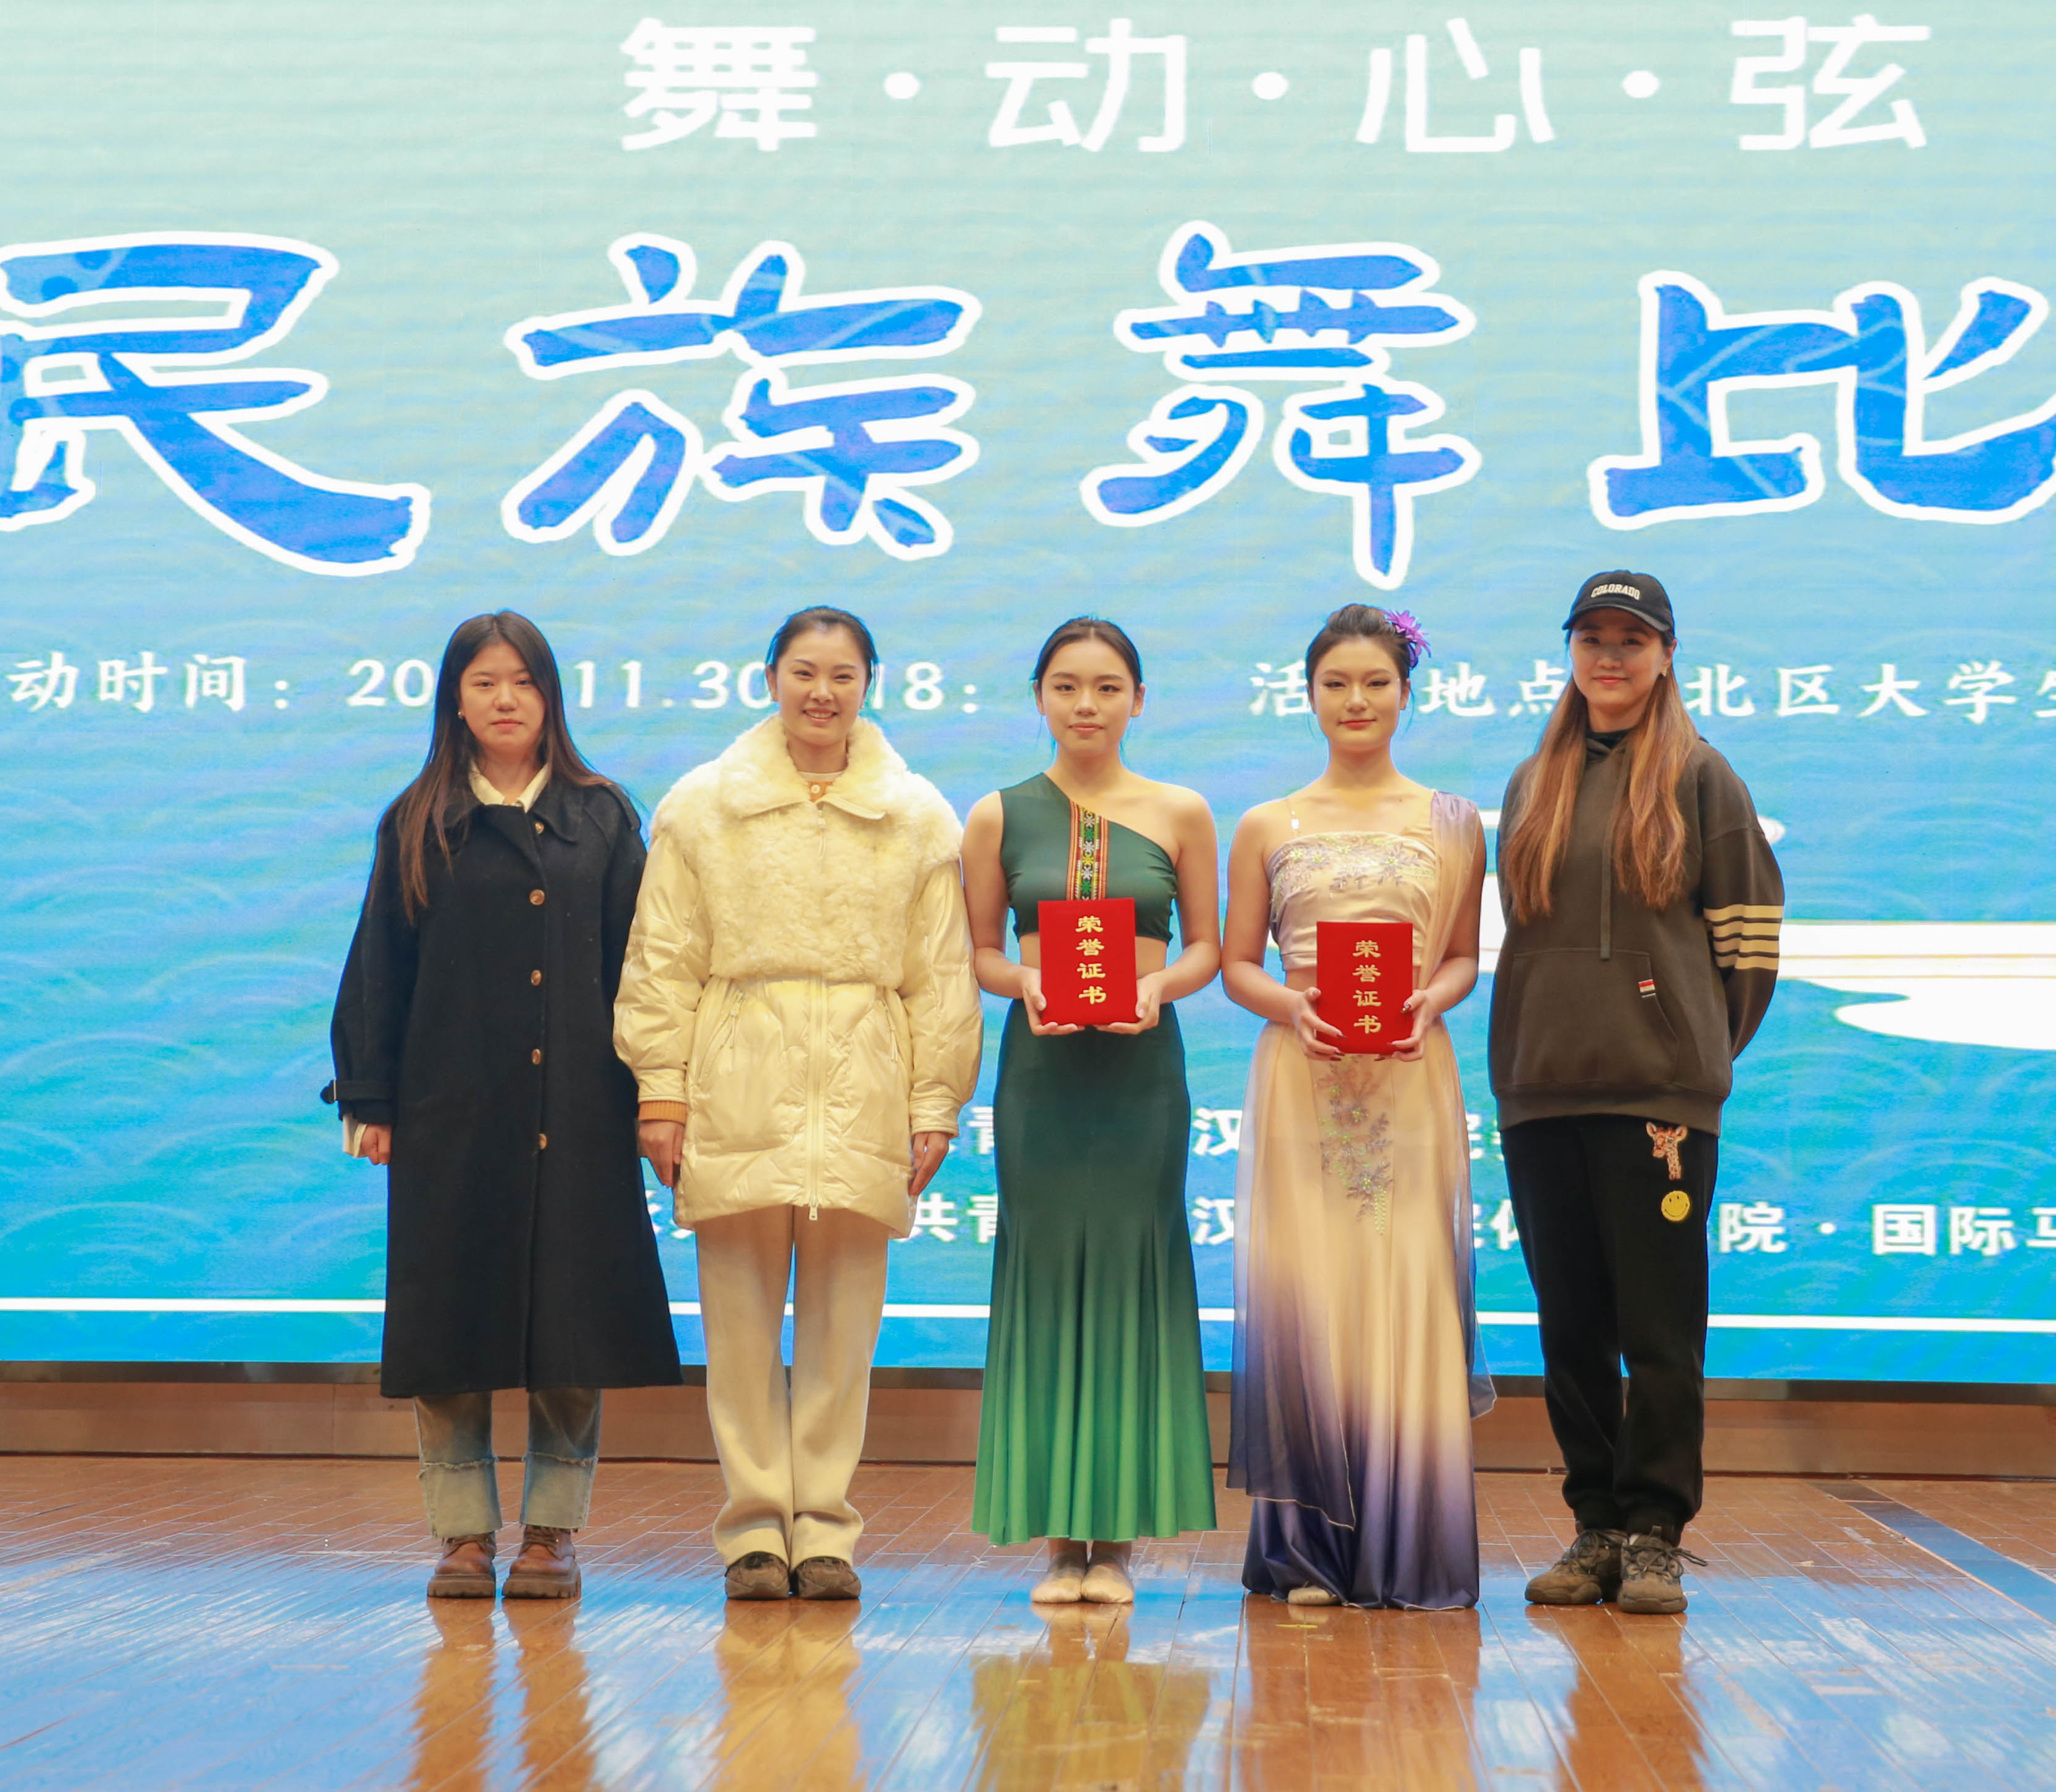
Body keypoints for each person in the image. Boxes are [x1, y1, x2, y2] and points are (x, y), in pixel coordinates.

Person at [614, 605, 981, 1602]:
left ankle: (823, 1528)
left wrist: (935, 1100)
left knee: (842, 1329)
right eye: (804, 671)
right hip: (737, 1073)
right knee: (736, 1325)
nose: (822, 692)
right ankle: (750, 1531)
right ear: (769, 677)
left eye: (843, 675)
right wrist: (661, 1091)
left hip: (865, 1082)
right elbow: (662, 958)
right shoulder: (702, 807)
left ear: (869, 686)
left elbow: (940, 973)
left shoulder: (917, 815)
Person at [325, 611, 682, 1602]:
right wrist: (371, 1096)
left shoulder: (601, 816)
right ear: (454, 700)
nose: (504, 699)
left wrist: (657, 1091)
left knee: (573, 1331)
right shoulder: (417, 819)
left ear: (550, 695)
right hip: (453, 1116)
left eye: (522, 681)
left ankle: (553, 1533)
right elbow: (379, 966)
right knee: (449, 1330)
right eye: (483, 682)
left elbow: (644, 969)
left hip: (580, 1114)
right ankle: (462, 1534)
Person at [1491, 569, 1782, 1617]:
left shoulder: (1701, 777)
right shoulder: (1532, 783)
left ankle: (1655, 1532)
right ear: (1570, 652)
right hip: (1541, 1093)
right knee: (1569, 1326)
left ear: (1664, 656)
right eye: (1592, 638)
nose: (1609, 657)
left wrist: (1686, 1048)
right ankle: (1595, 1527)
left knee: (1659, 1330)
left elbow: (1748, 941)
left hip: (1659, 1101)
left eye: (1630, 639)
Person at [1219, 603, 1491, 1610]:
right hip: (1301, 1080)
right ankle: (1307, 1551)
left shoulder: (1451, 821)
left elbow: (1460, 955)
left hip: (1409, 1078)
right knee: (1310, 1294)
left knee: (1401, 1285)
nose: (1356, 700)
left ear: (1406, 695)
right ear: (1307, 696)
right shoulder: (1267, 823)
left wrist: (1431, 999)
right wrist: (1291, 1006)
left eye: (1375, 683)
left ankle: (1403, 1543)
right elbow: (1236, 964)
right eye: (1335, 683)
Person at [962, 618, 1223, 1605]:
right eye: (1066, 686)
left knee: (1128, 1271)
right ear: (1039, 696)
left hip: (1140, 1075)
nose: (1086, 704)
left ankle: (1112, 1539)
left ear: (1137, 701)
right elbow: (981, 952)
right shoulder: (995, 815)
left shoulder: (1182, 811)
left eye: (1107, 687)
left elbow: (1205, 948)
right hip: (1041, 1076)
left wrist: (1156, 989)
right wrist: (1024, 982)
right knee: (1042, 1272)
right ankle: (1052, 1537)